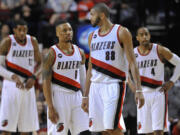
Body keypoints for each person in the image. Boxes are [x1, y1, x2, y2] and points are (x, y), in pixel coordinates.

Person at [81, 3, 144, 135]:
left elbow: (132, 62)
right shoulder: (92, 36)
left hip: (114, 84)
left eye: (92, 14)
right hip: (95, 86)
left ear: (102, 15)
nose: (90, 17)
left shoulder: (121, 32)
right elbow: (90, 67)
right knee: (103, 129)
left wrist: (138, 89)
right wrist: (85, 95)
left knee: (111, 128)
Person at [129, 27, 180, 135]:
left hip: (158, 92)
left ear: (150, 36)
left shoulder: (159, 50)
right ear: (137, 38)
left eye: (146, 34)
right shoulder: (133, 53)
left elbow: (179, 62)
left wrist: (172, 81)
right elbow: (124, 72)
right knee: (147, 132)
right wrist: (134, 88)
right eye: (141, 35)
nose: (144, 37)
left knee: (158, 131)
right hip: (142, 94)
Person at [42, 20, 89, 135]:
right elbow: (45, 82)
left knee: (84, 132)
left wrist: (86, 98)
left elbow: (83, 79)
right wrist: (50, 107)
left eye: (70, 30)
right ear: (57, 33)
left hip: (77, 96)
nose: (68, 32)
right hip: (59, 97)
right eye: (64, 30)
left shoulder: (80, 52)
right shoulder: (51, 53)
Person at [0, 19, 41, 135]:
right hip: (11, 85)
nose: (22, 32)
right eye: (19, 30)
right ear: (14, 30)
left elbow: (41, 63)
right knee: (7, 128)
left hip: (28, 85)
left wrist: (34, 77)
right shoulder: (7, 41)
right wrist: (12, 76)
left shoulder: (32, 41)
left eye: (25, 30)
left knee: (26, 128)